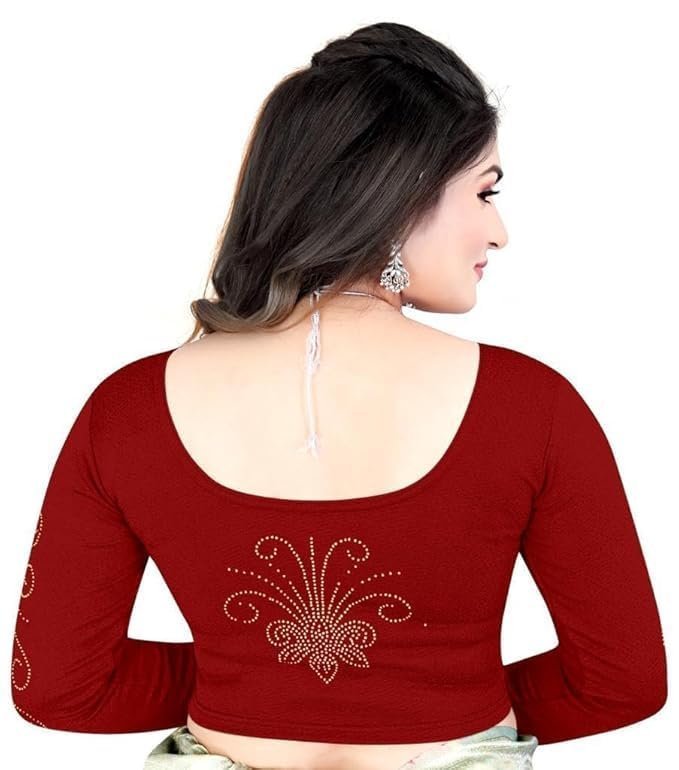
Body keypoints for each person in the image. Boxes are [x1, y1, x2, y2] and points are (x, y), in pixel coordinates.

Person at [11, 21, 666, 770]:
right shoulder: (533, 407)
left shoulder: (125, 411)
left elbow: (58, 688)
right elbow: (620, 681)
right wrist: (425, 689)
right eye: (485, 193)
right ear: (402, 192)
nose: (499, 231)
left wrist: (260, 677)